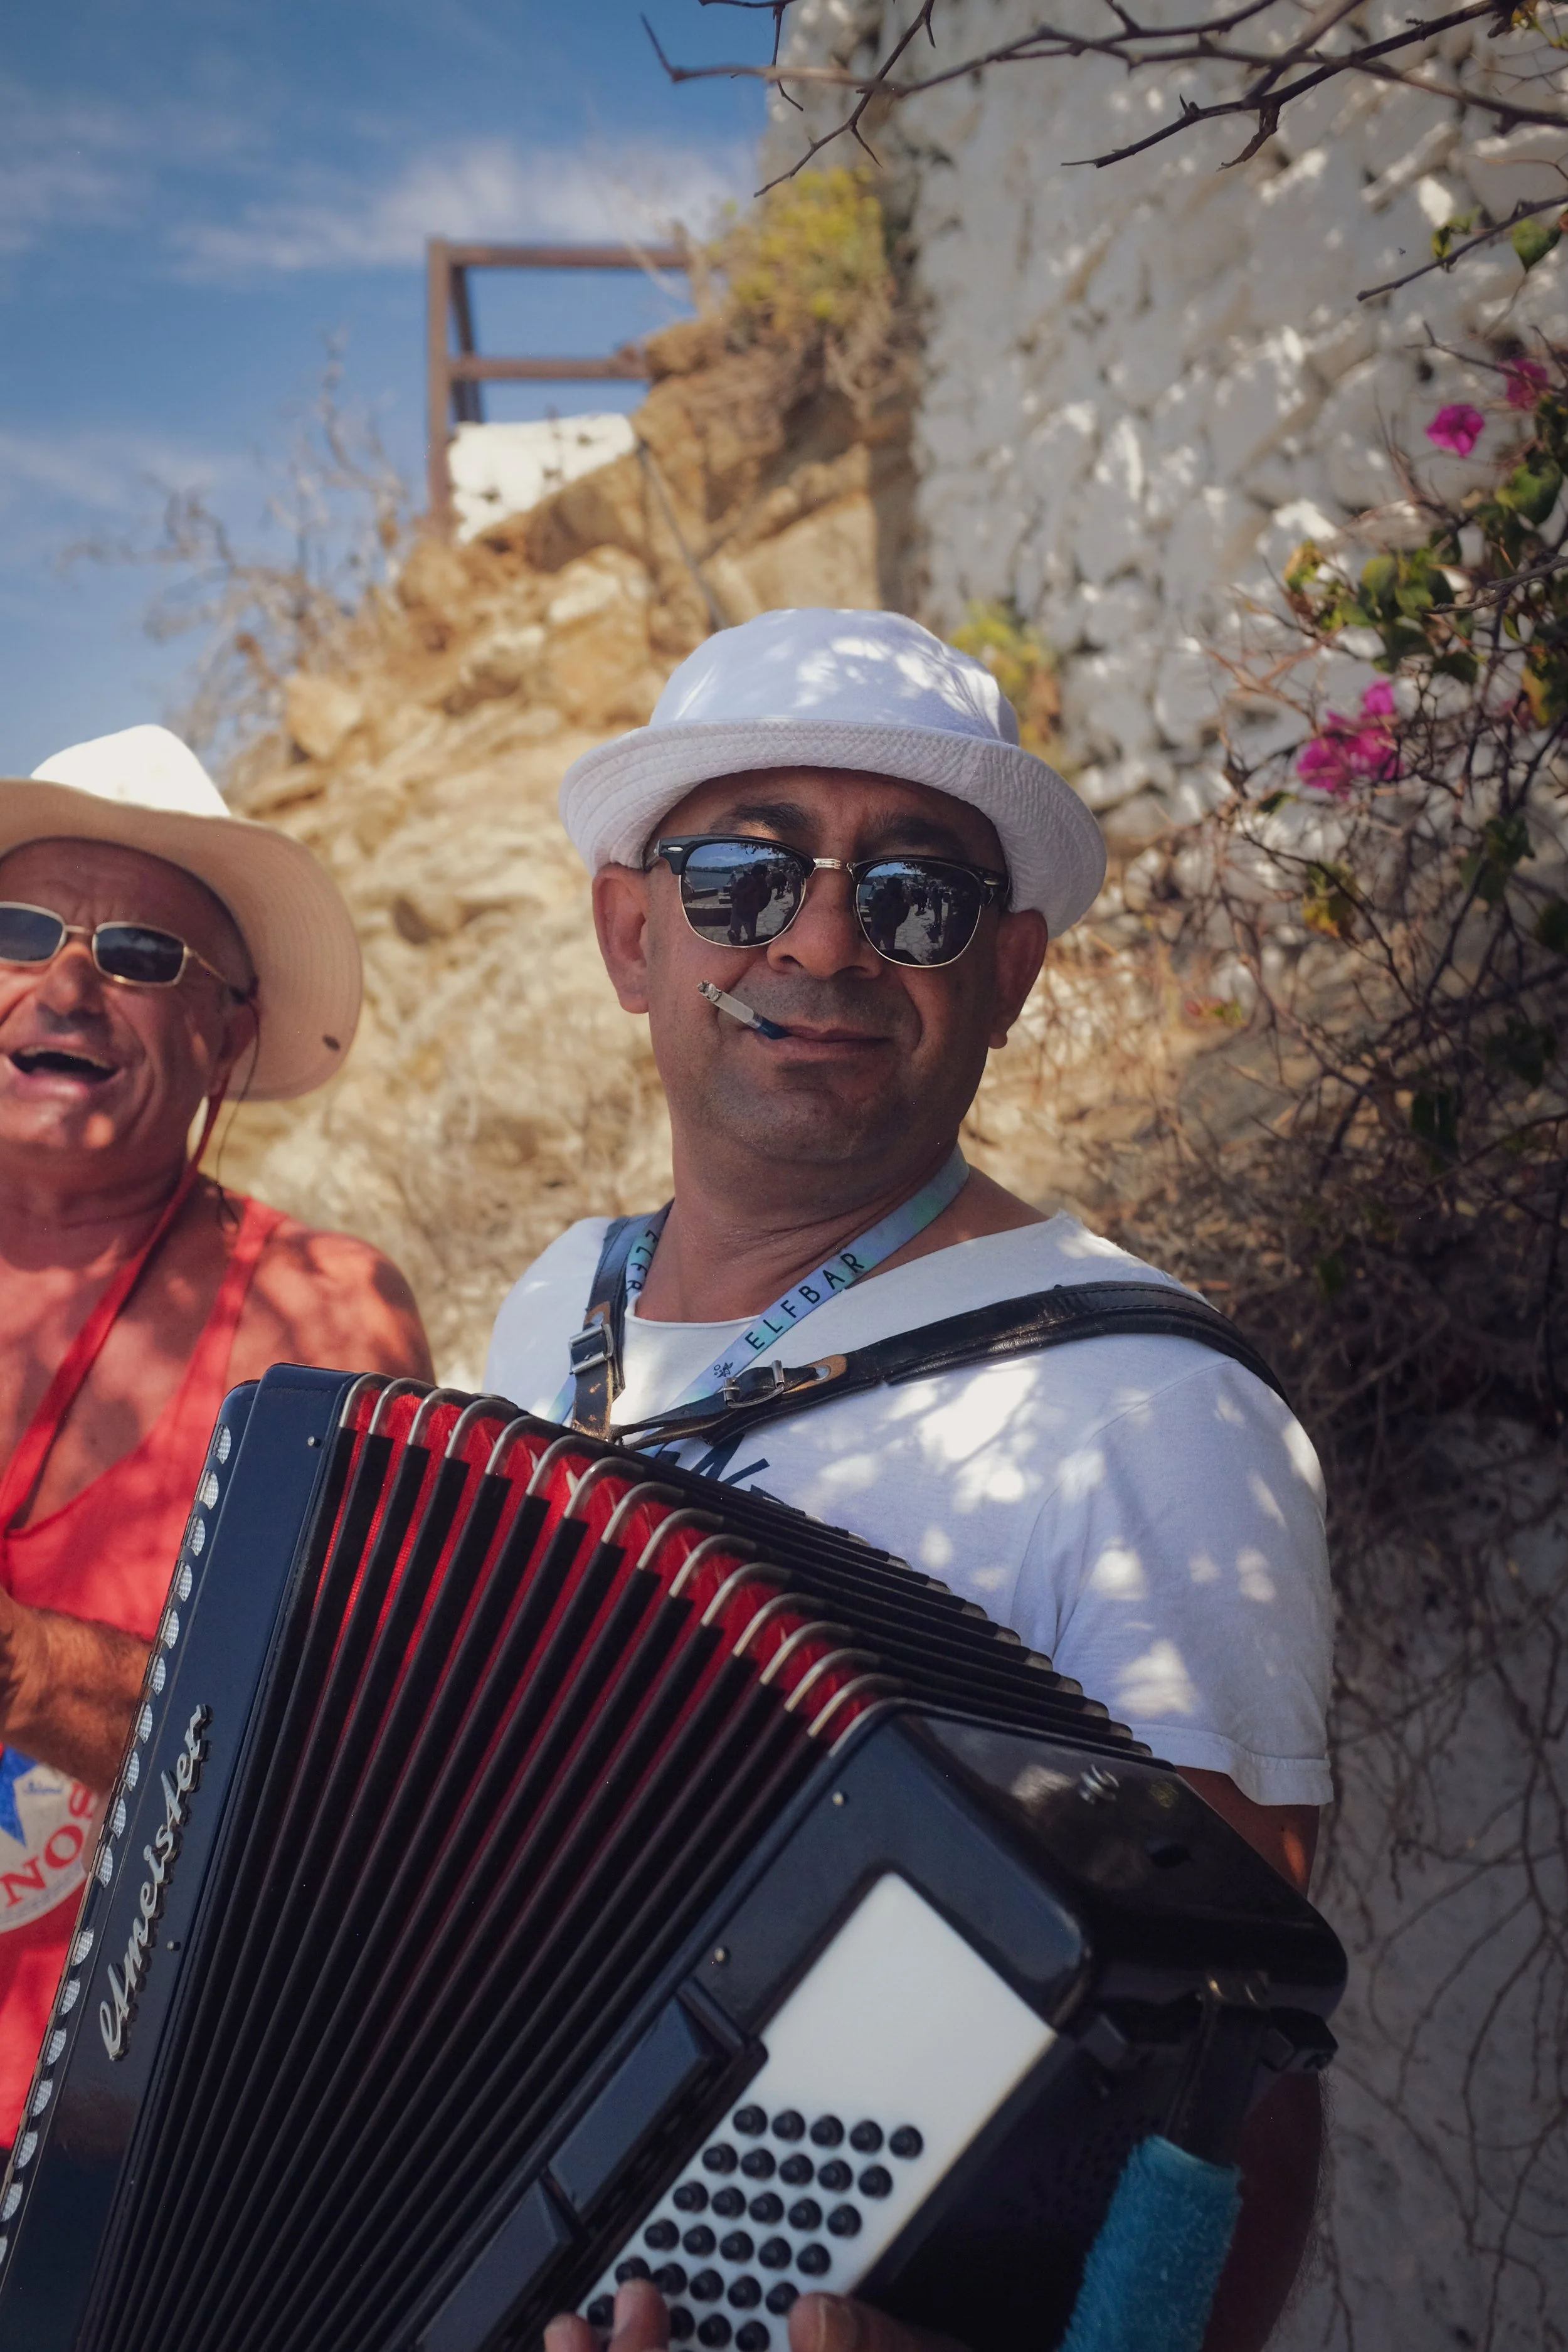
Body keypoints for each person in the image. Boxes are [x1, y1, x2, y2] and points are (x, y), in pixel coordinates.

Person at [487, 610, 1333, 2352]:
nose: (817, 937)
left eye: (912, 894)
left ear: (1007, 969)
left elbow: (1223, 2074)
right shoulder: (546, 1309)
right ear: (626, 930)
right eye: (740, 873)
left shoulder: (1141, 1405)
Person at [0, 723, 432, 2151]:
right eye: (19, 930)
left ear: (228, 1034)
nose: (66, 983)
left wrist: (34, 1670)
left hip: (134, 2164)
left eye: (138, 957)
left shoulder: (321, 1323)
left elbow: (359, 1776)